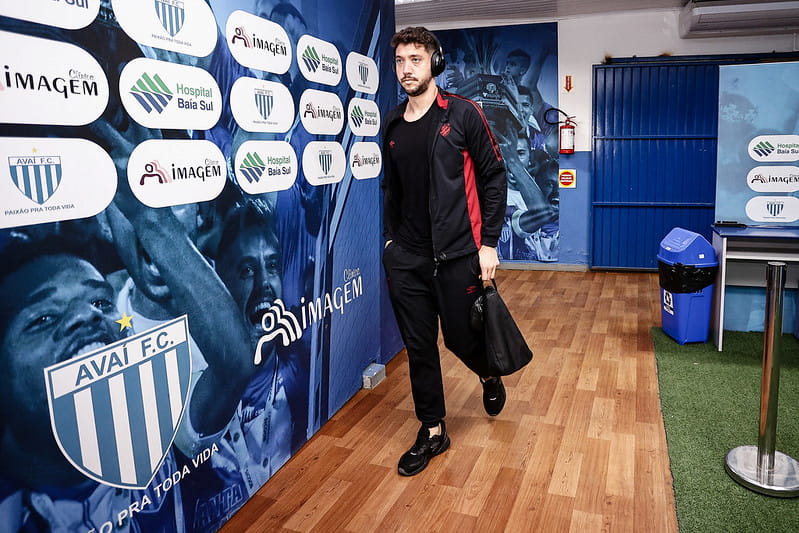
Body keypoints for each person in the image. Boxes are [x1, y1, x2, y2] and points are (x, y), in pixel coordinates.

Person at [382, 26, 508, 477]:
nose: (406, 69)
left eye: (415, 59)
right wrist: (391, 242)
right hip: (408, 259)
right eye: (400, 61)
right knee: (419, 346)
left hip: (457, 255)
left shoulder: (463, 114)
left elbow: (495, 176)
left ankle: (488, 374)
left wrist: (488, 243)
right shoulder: (393, 124)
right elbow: (391, 191)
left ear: (434, 61)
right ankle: (433, 430)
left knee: (460, 337)